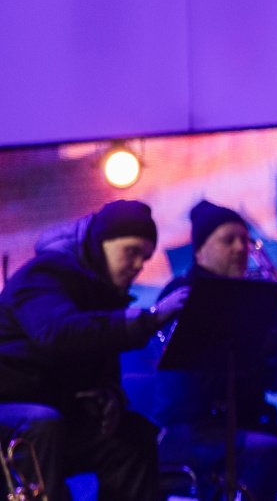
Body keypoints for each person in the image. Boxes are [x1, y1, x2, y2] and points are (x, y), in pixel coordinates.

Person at [154, 199, 277, 501]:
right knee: (264, 452)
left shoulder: (254, 297)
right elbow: (185, 382)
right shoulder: (182, 295)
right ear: (200, 251)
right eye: (228, 240)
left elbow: (276, 383)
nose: (240, 248)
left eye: (244, 240)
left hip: (248, 425)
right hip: (193, 430)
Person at [0, 200, 187, 501]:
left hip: (54, 409)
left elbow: (94, 364)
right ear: (100, 244)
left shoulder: (102, 294)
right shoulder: (43, 276)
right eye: (131, 252)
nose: (139, 265)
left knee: (133, 436)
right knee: (41, 423)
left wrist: (109, 395)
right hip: (10, 405)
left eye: (145, 257)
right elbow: (58, 334)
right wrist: (150, 319)